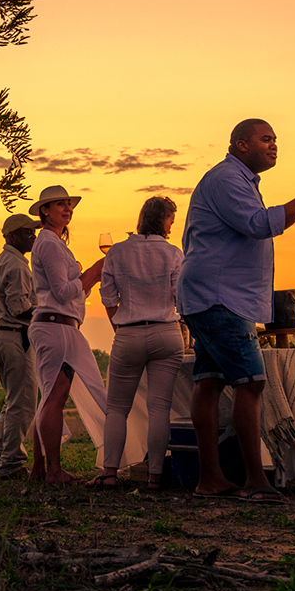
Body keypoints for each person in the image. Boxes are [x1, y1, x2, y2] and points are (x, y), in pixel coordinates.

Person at [178, 119, 295, 500]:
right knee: (251, 381)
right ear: (241, 144)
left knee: (209, 380)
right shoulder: (226, 179)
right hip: (219, 296)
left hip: (210, 294)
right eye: (265, 139)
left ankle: (210, 479)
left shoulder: (238, 181)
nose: (273, 145)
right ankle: (256, 481)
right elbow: (259, 225)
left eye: (275, 139)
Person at [92, 195, 184, 490]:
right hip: (166, 332)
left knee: (117, 408)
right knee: (160, 408)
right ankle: (155, 476)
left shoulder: (117, 253)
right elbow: (180, 297)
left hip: (128, 331)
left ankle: (109, 473)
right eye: (171, 218)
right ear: (163, 219)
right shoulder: (173, 253)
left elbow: (107, 297)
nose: (172, 224)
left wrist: (119, 327)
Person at [26, 184, 109, 484]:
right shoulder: (48, 244)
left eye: (69, 204)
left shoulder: (56, 244)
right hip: (55, 326)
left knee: (48, 396)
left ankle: (39, 468)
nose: (67, 208)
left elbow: (70, 292)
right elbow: (61, 292)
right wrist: (93, 273)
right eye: (59, 204)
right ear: (44, 211)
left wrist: (89, 280)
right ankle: (54, 472)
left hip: (62, 326)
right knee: (54, 398)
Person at [0, 213, 41, 478]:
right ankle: (12, 463)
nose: (34, 236)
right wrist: (47, 315)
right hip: (15, 336)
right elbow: (20, 309)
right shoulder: (17, 266)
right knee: (24, 402)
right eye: (28, 232)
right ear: (13, 236)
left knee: (12, 400)